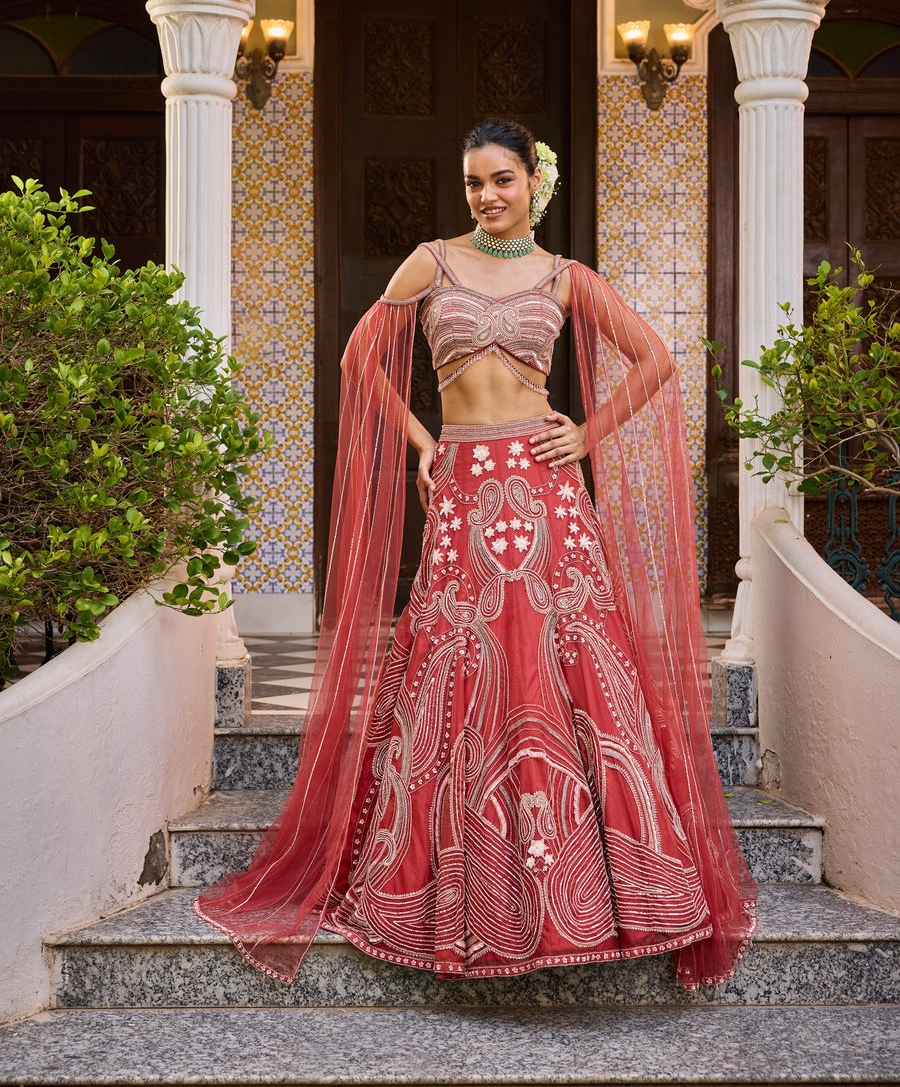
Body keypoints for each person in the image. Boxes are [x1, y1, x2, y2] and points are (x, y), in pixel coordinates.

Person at [195, 118, 757, 990]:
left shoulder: (569, 280)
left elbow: (653, 362)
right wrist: (423, 442)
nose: (486, 197)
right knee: (459, 673)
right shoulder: (432, 262)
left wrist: (589, 434)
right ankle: (453, 896)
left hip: (545, 494)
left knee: (566, 673)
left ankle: (589, 898)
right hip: (462, 487)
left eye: (501, 180)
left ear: (535, 181)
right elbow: (360, 360)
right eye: (472, 184)